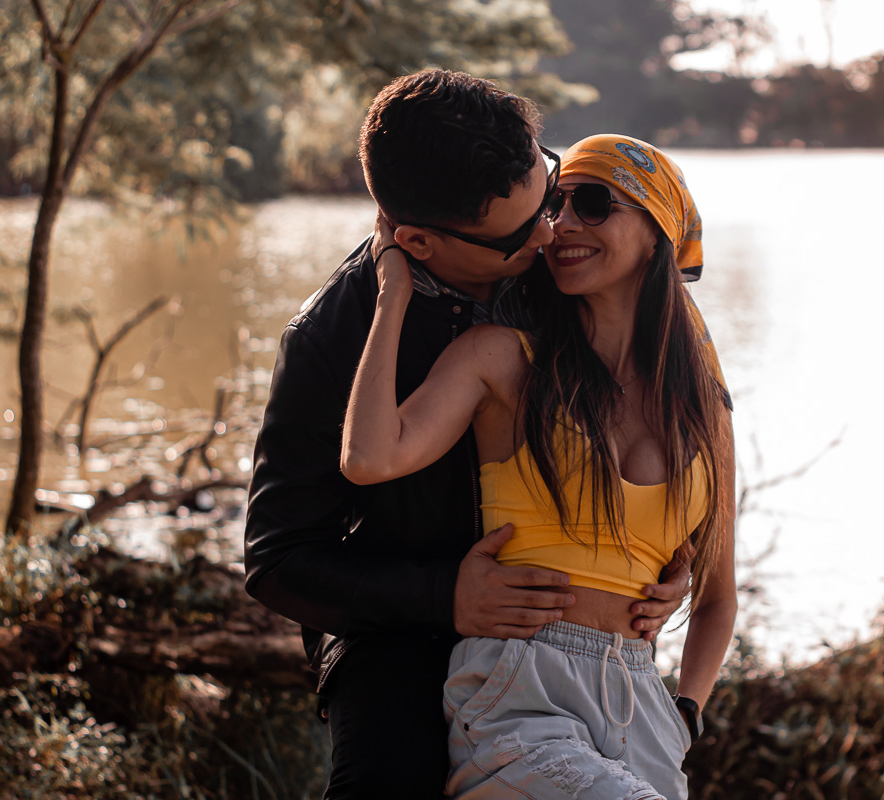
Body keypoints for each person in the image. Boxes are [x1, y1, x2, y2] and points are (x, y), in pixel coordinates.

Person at [243, 71, 691, 799]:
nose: (555, 229)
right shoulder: (330, 338)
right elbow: (277, 559)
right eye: (524, 231)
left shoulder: (565, 266)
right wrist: (445, 596)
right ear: (416, 240)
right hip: (401, 634)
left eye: (551, 189)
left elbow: (661, 407)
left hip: (562, 635)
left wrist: (670, 559)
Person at [341, 134, 737, 800]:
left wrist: (685, 715)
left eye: (593, 203)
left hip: (643, 705)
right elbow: (369, 458)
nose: (564, 225)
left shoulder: (703, 411)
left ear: (655, 232)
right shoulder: (501, 360)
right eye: (556, 205)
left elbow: (717, 596)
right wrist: (391, 293)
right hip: (522, 694)